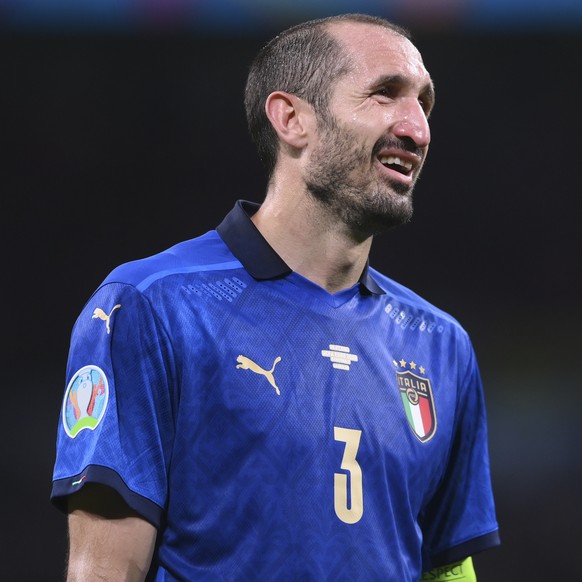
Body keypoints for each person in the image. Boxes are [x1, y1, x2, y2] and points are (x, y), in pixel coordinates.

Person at [51, 13, 500, 581]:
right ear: (292, 119)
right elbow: (104, 571)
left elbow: (446, 568)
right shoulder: (151, 307)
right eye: (385, 95)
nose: (417, 129)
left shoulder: (441, 344)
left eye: (424, 105)